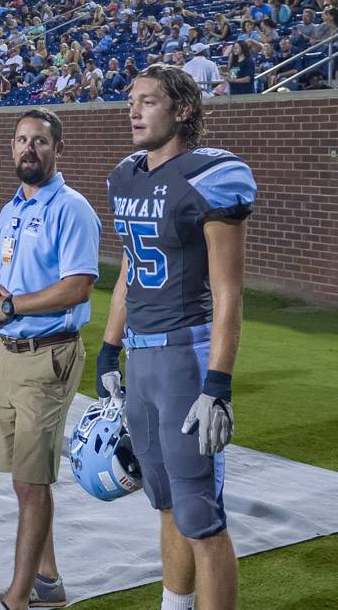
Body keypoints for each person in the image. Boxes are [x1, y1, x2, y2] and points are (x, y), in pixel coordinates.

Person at [96, 65, 256, 610]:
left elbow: (229, 291)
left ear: (183, 110)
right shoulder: (127, 175)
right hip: (140, 362)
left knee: (199, 517)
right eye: (130, 101)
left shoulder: (210, 176)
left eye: (147, 101)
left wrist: (218, 384)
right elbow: (128, 272)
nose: (133, 111)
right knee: (164, 502)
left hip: (185, 358)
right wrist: (108, 348)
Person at [0, 109, 100, 610]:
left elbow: (78, 286)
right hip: (9, 355)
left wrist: (10, 306)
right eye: (22, 140)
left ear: (58, 150)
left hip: (47, 355)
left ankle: (18, 599)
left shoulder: (70, 208)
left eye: (41, 142)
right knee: (22, 479)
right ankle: (47, 579)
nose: (29, 149)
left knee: (32, 483)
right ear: (12, 147)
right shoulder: (12, 208)